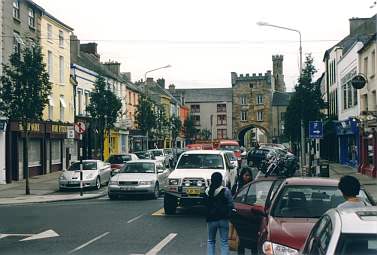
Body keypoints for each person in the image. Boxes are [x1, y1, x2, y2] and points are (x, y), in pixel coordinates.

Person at [205, 172, 234, 255]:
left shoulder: (207, 191)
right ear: (221, 180)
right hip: (223, 219)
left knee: (211, 241)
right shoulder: (226, 191)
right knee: (224, 242)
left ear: (211, 180)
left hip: (211, 219)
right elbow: (231, 204)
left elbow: (205, 205)